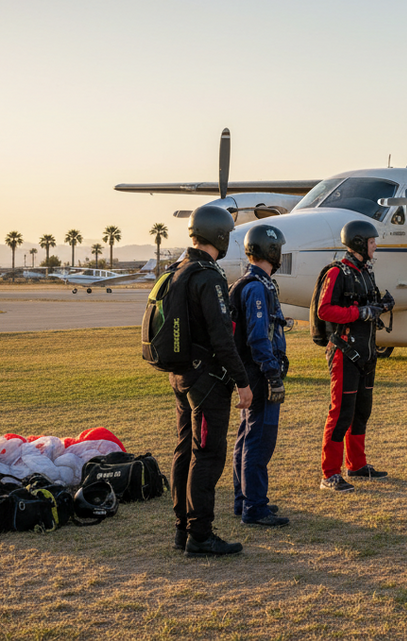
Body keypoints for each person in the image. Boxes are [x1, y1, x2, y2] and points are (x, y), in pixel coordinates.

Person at [169, 205, 254, 557]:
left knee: (185, 450)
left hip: (181, 375)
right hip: (206, 381)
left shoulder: (178, 270)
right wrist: (242, 381)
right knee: (207, 456)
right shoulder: (208, 276)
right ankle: (200, 535)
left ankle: (182, 530)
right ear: (220, 235)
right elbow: (222, 337)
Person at [314, 219, 392, 492]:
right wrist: (358, 313)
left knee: (362, 411)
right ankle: (329, 474)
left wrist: (380, 306)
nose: (375, 246)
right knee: (341, 413)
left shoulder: (365, 271)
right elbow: (325, 310)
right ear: (360, 243)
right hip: (345, 352)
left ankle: (356, 465)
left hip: (367, 352)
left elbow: (365, 306)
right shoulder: (338, 272)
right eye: (372, 242)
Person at [229, 223, 290, 527]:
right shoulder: (256, 287)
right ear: (272, 251)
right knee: (260, 439)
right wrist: (272, 374)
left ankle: (244, 499)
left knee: (246, 435)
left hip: (250, 372)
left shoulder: (249, 283)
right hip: (259, 373)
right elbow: (257, 337)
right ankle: (254, 506)